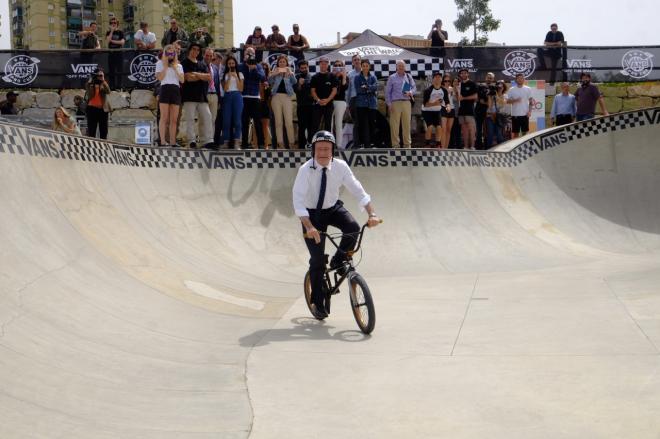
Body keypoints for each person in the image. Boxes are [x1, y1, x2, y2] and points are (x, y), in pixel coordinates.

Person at [292, 130, 380, 319]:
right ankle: (317, 301)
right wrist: (309, 227)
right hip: (311, 215)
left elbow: (358, 190)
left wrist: (371, 213)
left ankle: (339, 260)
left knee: (353, 228)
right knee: (317, 261)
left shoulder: (340, 166)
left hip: (332, 208)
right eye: (319, 148)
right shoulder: (305, 170)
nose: (323, 152)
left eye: (327, 148)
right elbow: (298, 202)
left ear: (333, 150)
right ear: (313, 150)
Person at [181, 43, 214, 148]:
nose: (195, 51)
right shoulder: (184, 63)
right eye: (193, 49)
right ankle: (191, 140)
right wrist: (201, 76)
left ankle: (207, 140)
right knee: (190, 119)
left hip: (202, 97)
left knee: (207, 117)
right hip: (189, 96)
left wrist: (195, 74)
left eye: (198, 50)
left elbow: (209, 77)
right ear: (189, 50)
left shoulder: (202, 64)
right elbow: (188, 78)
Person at [156, 44, 185, 146]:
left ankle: (173, 141)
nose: (170, 55)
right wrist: (165, 66)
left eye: (172, 53)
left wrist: (175, 68)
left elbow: (182, 80)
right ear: (165, 53)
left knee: (174, 119)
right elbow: (159, 78)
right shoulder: (159, 63)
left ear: (174, 53)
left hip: (175, 90)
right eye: (167, 52)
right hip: (164, 89)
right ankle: (163, 141)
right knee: (164, 117)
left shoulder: (179, 65)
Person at [385, 60, 416, 148]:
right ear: (396, 67)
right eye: (399, 66)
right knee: (394, 126)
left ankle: (407, 145)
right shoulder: (392, 77)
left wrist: (410, 92)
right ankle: (395, 145)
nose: (401, 67)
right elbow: (388, 92)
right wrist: (389, 104)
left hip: (406, 102)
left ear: (405, 67)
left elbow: (414, 88)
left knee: (407, 125)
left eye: (402, 66)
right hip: (395, 103)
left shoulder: (408, 76)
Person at [239, 47, 266, 148]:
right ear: (244, 54)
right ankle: (245, 144)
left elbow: (262, 78)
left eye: (252, 53)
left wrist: (253, 68)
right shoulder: (240, 66)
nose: (250, 54)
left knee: (258, 121)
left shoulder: (258, 66)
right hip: (243, 97)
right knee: (244, 121)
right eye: (248, 53)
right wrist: (247, 65)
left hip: (255, 97)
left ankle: (261, 144)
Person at [268, 55, 297, 149]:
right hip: (276, 97)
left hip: (287, 97)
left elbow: (295, 82)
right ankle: (280, 144)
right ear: (278, 63)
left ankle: (291, 143)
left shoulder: (290, 71)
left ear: (286, 63)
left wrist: (291, 74)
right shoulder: (274, 71)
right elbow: (269, 81)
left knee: (288, 122)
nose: (282, 63)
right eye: (280, 62)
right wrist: (274, 74)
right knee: (278, 122)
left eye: (284, 62)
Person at [221, 55, 244, 149]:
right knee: (226, 120)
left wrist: (236, 77)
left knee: (237, 120)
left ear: (235, 64)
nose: (231, 65)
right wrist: (230, 77)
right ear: (227, 65)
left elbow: (241, 88)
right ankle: (226, 142)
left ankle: (237, 142)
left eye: (233, 63)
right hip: (227, 97)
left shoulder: (240, 74)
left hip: (237, 96)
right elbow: (225, 89)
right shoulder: (225, 75)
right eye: (229, 63)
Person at [354, 59, 378, 149]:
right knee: (362, 124)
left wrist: (366, 87)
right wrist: (369, 89)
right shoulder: (357, 77)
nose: (365, 67)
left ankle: (372, 143)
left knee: (372, 124)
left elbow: (375, 87)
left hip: (372, 104)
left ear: (369, 67)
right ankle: (362, 143)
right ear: (361, 66)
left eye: (366, 66)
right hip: (361, 104)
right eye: (363, 66)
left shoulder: (373, 77)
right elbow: (358, 90)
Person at [310, 56, 338, 134]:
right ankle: (312, 143)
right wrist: (318, 100)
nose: (324, 65)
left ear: (328, 65)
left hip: (329, 104)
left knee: (328, 125)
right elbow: (312, 91)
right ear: (319, 64)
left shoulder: (332, 76)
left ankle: (329, 144)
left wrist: (327, 100)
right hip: (317, 104)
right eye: (322, 63)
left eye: (325, 63)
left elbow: (334, 90)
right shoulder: (314, 77)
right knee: (315, 125)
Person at [421, 72, 447, 148]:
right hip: (427, 111)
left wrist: (448, 107)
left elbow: (447, 101)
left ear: (441, 80)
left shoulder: (444, 90)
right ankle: (427, 143)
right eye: (436, 77)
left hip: (437, 111)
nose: (438, 79)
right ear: (433, 79)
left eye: (439, 77)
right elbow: (425, 104)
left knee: (439, 127)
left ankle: (438, 143)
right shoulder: (428, 90)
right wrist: (435, 103)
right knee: (430, 126)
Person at [84, 68, 110, 139]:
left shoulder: (103, 83)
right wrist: (90, 83)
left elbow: (108, 91)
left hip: (103, 110)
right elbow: (90, 95)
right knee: (91, 131)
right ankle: (92, 147)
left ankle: (104, 146)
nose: (99, 77)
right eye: (98, 75)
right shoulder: (90, 84)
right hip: (92, 109)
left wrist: (103, 80)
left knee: (104, 131)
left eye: (101, 75)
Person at [506, 73, 533, 139]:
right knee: (515, 133)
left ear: (524, 79)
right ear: (516, 80)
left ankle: (525, 147)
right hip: (515, 115)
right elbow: (507, 101)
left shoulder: (528, 89)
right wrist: (515, 100)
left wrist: (529, 112)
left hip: (525, 114)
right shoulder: (511, 89)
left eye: (521, 78)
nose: (520, 79)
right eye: (518, 78)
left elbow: (531, 102)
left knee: (525, 133)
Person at [295, 60, 314, 147]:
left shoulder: (312, 77)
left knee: (311, 127)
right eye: (302, 68)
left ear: (308, 67)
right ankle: (301, 145)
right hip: (301, 106)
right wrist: (299, 84)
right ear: (299, 68)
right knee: (301, 127)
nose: (304, 69)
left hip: (311, 106)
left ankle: (310, 143)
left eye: (305, 67)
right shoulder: (296, 77)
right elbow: (296, 91)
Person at [345, 54, 362, 148]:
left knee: (365, 123)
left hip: (365, 101)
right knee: (356, 123)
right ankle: (357, 145)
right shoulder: (350, 74)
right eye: (355, 60)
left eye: (358, 59)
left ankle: (366, 143)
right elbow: (347, 90)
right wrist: (347, 105)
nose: (357, 61)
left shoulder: (366, 72)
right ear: (352, 62)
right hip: (354, 100)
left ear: (361, 61)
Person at [457, 68, 477, 149]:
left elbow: (475, 96)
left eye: (465, 73)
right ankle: (465, 146)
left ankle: (472, 146)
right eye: (462, 73)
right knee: (464, 130)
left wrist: (464, 98)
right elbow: (457, 97)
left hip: (469, 110)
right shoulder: (459, 84)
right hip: (461, 110)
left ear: (468, 74)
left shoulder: (472, 83)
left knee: (471, 129)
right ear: (460, 75)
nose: (464, 74)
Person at [331, 60, 349, 149]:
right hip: (330, 101)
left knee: (338, 123)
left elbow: (345, 87)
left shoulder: (345, 76)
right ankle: (330, 142)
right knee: (329, 123)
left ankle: (339, 144)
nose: (338, 67)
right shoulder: (330, 76)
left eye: (340, 65)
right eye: (336, 65)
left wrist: (344, 76)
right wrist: (334, 76)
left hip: (341, 101)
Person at [475, 72, 495, 150]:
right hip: (479, 111)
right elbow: (476, 98)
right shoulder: (479, 86)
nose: (489, 79)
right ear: (485, 77)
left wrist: (485, 102)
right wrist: (481, 101)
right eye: (488, 77)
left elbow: (493, 101)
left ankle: (487, 147)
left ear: (493, 79)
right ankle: (478, 147)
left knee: (487, 131)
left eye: (491, 78)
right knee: (479, 130)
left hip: (488, 112)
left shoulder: (493, 88)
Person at [203, 48, 220, 137]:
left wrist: (218, 98)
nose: (208, 57)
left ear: (213, 56)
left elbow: (217, 83)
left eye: (210, 55)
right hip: (204, 95)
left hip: (214, 95)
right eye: (207, 55)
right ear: (203, 55)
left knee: (213, 119)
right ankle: (203, 141)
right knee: (203, 119)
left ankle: (210, 140)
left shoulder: (215, 68)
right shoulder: (200, 65)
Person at [486, 80, 509, 147]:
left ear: (504, 87)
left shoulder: (505, 95)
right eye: (498, 86)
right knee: (490, 133)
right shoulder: (491, 94)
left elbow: (503, 103)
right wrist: (490, 96)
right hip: (490, 116)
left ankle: (500, 149)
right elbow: (489, 106)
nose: (500, 88)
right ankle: (488, 148)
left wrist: (497, 95)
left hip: (499, 117)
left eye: (501, 86)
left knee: (499, 134)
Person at [105, 17, 125, 90]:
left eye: (114, 23)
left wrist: (112, 41)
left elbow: (122, 42)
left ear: (117, 24)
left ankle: (119, 86)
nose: (113, 24)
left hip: (119, 54)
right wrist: (112, 31)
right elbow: (107, 41)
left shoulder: (121, 32)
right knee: (111, 71)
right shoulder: (108, 32)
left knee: (119, 71)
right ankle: (112, 87)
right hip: (111, 54)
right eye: (111, 23)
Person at [212, 50, 225, 145]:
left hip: (223, 96)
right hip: (214, 95)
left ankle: (218, 139)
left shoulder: (223, 69)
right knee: (213, 119)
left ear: (220, 59)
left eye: (214, 59)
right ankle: (213, 139)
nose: (212, 60)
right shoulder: (211, 68)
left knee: (221, 119)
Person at [259, 61, 273, 148]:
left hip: (266, 105)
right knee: (256, 126)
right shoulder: (257, 78)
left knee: (265, 126)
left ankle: (266, 145)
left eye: (265, 68)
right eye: (262, 68)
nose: (264, 69)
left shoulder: (270, 80)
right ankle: (256, 144)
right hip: (257, 103)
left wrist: (268, 86)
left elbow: (271, 94)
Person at [440, 74, 455, 150]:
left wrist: (456, 91)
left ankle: (446, 148)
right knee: (444, 129)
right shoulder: (440, 88)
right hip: (443, 108)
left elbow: (457, 99)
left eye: (449, 81)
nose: (447, 82)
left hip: (452, 109)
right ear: (443, 81)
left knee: (449, 130)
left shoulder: (452, 88)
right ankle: (442, 148)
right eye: (445, 81)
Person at [449, 76, 463, 148]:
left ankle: (458, 145)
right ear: (452, 82)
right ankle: (451, 145)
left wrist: (457, 92)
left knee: (458, 130)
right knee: (451, 130)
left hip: (458, 113)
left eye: (457, 82)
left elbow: (459, 100)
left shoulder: (460, 90)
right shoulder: (449, 89)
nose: (456, 83)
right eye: (454, 81)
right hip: (451, 113)